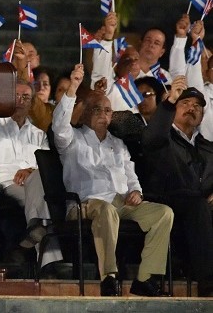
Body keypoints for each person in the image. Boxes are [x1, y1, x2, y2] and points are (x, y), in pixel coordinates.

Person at [52, 63, 173, 297]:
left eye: (108, 111)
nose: (104, 115)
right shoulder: (71, 140)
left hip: (121, 203)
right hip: (84, 204)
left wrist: (136, 192)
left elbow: (131, 175)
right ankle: (109, 277)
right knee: (105, 209)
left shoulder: (117, 144)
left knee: (163, 213)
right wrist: (74, 87)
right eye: (97, 109)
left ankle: (146, 279)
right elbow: (59, 125)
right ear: (85, 112)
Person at [142, 77, 213, 296]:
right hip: (167, 200)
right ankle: (209, 286)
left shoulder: (208, 147)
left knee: (201, 206)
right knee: (197, 204)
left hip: (199, 207)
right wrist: (168, 102)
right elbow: (151, 137)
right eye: (185, 103)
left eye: (197, 106)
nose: (192, 108)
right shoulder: (163, 138)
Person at [0, 80, 61, 267]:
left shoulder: (38, 134)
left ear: (31, 102)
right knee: (45, 201)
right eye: (16, 96)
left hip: (31, 184)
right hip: (0, 184)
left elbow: (46, 165)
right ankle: (47, 258)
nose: (20, 100)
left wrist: (30, 170)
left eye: (25, 97)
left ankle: (35, 231)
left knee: (39, 176)